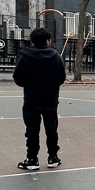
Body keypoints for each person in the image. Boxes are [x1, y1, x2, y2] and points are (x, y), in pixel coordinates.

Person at [13, 27, 67, 170]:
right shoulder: (56, 57)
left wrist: (29, 84)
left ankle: (32, 159)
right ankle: (53, 157)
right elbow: (62, 78)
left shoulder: (25, 57)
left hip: (31, 98)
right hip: (50, 99)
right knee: (51, 129)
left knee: (32, 130)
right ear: (48, 41)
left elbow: (17, 78)